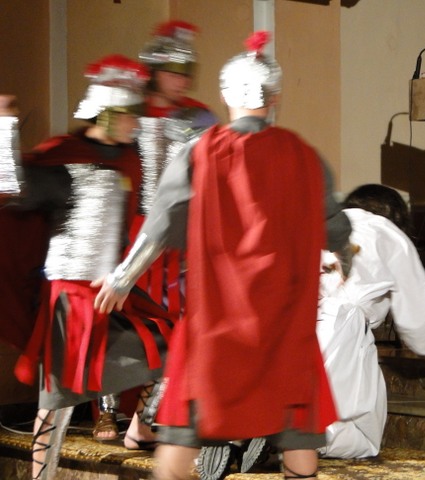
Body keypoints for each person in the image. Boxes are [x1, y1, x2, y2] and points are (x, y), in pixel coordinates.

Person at [93, 31, 352, 480]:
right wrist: (343, 263)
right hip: (284, 328)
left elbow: (160, 225)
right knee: (298, 441)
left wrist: (122, 278)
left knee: (179, 446)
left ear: (226, 95)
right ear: (274, 98)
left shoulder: (199, 151)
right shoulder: (303, 155)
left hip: (217, 326)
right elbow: (337, 229)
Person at [4, 55, 173, 480]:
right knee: (56, 404)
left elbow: (154, 211)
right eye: (129, 115)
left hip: (110, 289)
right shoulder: (62, 158)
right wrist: (4, 127)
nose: (135, 123)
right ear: (109, 112)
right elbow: (11, 190)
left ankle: (141, 427)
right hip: (69, 299)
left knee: (175, 343)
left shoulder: (129, 158)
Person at [94, 19, 218, 448]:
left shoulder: (200, 115)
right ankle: (106, 407)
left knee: (174, 324)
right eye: (171, 71)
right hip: (126, 228)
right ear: (154, 70)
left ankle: (147, 415)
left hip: (178, 236)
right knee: (114, 316)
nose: (179, 80)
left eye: (186, 71)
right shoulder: (130, 108)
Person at [316, 184, 425, 459]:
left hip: (295, 320)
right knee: (360, 432)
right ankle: (287, 434)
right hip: (339, 332)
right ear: (397, 217)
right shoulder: (390, 236)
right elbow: (419, 316)